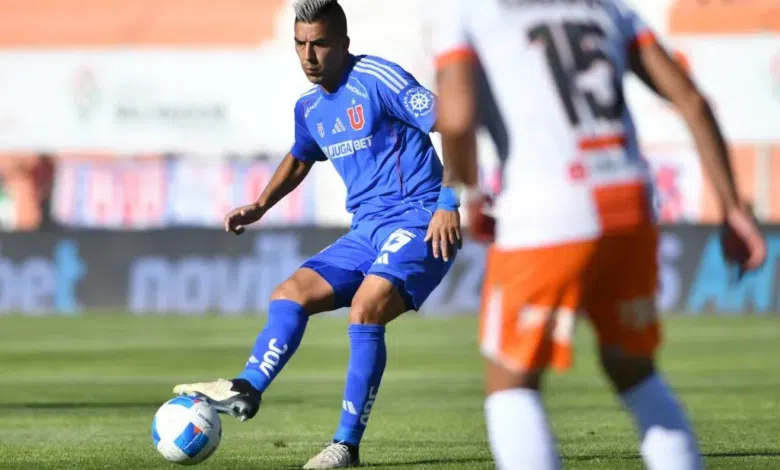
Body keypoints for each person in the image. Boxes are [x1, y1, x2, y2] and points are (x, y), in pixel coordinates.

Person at [427, 0, 767, 469]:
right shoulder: (609, 8)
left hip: (546, 210)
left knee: (511, 383)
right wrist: (732, 208)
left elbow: (457, 118)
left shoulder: (468, 11)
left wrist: (467, 192)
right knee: (634, 370)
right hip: (629, 201)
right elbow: (691, 100)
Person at [174, 0, 461, 468]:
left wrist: (448, 203)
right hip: (366, 230)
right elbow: (301, 156)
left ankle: (345, 446)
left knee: (366, 308)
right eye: (300, 44)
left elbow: (453, 121)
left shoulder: (378, 79)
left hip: (420, 219)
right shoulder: (309, 108)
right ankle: (247, 386)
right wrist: (261, 204)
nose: (309, 55)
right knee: (290, 292)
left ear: (344, 43)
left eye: (320, 44)